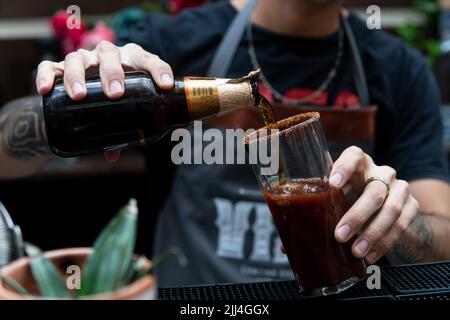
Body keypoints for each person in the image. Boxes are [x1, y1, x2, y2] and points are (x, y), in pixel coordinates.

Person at [1, 0, 450, 286]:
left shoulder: (398, 70)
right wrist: (76, 98)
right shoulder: (172, 45)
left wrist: (395, 220)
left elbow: (443, 237)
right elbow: (4, 153)